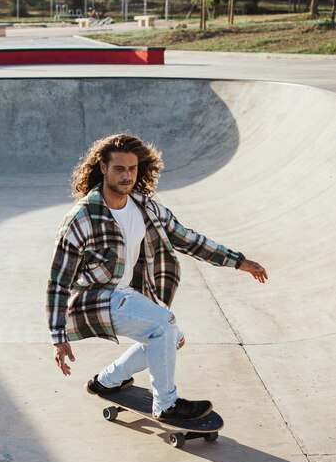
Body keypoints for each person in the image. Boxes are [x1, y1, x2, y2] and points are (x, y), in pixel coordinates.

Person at [46, 133, 268, 421]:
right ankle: (167, 404)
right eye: (119, 169)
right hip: (92, 300)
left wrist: (238, 262)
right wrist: (57, 336)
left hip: (123, 295)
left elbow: (187, 238)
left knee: (171, 337)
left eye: (132, 169)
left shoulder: (144, 207)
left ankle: (107, 380)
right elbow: (58, 282)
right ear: (103, 167)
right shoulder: (82, 218)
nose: (126, 176)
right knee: (164, 325)